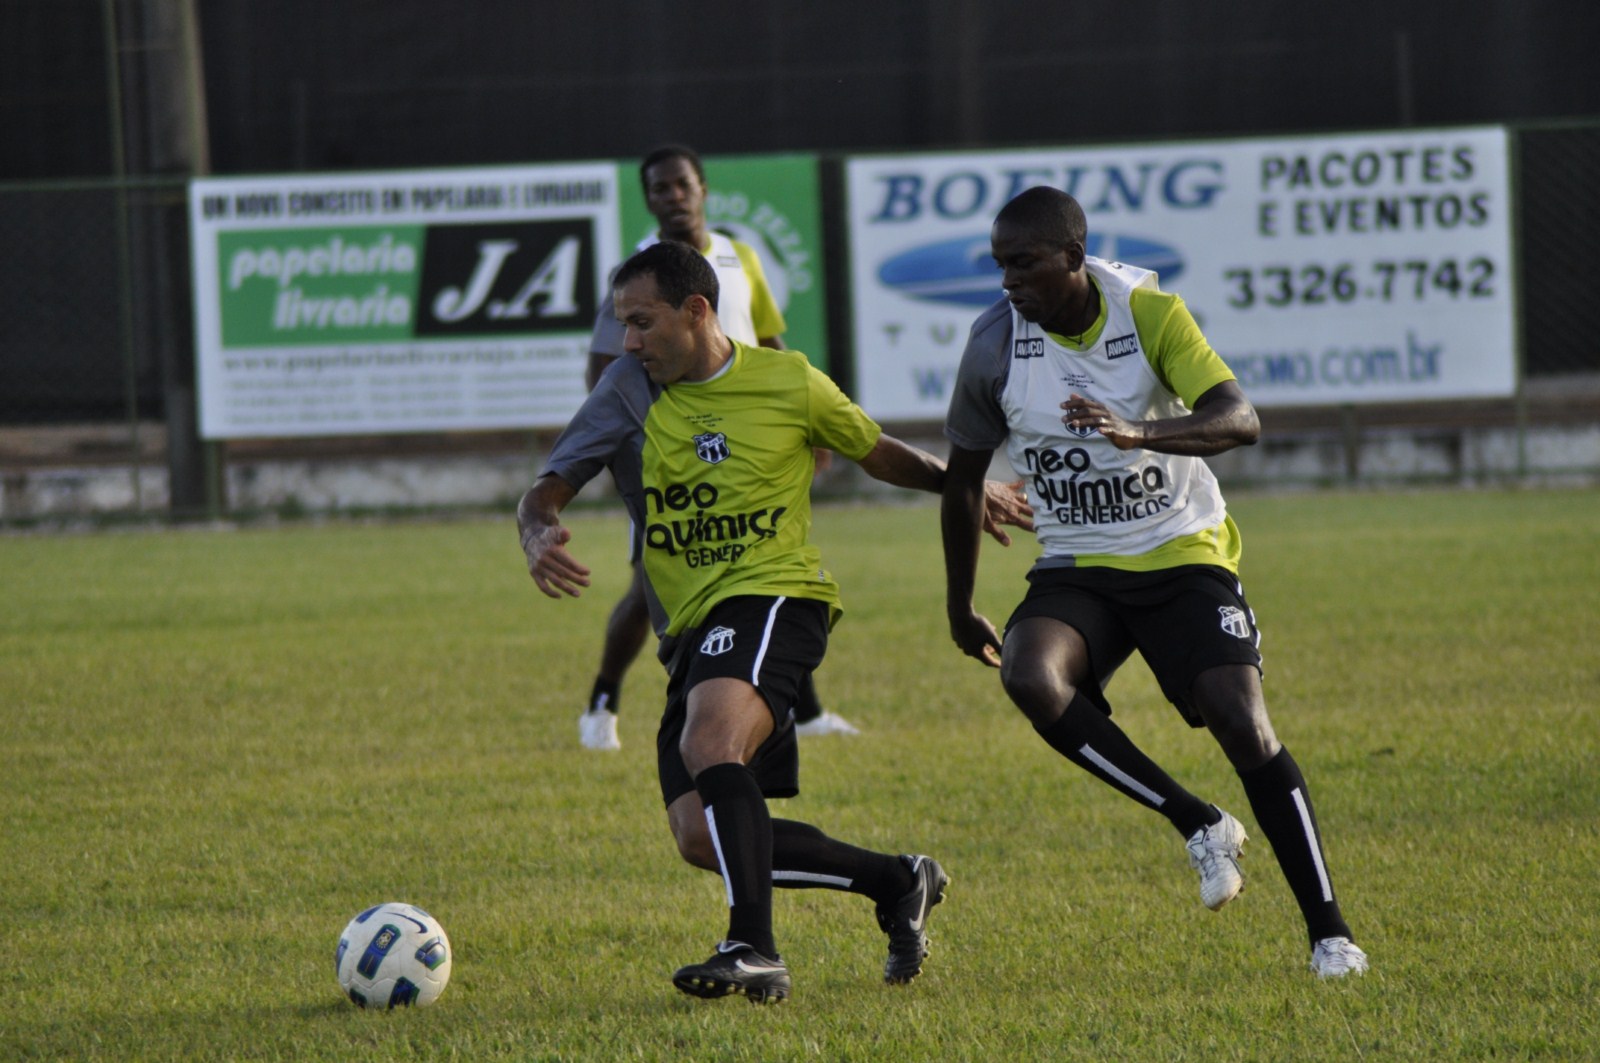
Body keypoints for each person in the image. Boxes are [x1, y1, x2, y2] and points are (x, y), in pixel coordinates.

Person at [519, 241, 1030, 1002]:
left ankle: (751, 945)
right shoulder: (629, 387)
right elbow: (549, 485)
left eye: (640, 321)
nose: (626, 341)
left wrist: (963, 485)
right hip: (689, 626)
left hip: (777, 595)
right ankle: (898, 880)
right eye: (622, 323)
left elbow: (874, 449)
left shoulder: (786, 379)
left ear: (697, 311)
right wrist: (536, 529)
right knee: (702, 835)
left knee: (708, 741)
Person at [939, 186, 1369, 979]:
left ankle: (1331, 934)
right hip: (1077, 562)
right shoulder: (994, 344)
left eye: (1025, 264)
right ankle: (1198, 822)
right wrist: (961, 602)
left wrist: (1141, 431)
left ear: (1073, 258)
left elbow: (1239, 418)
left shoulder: (1148, 312)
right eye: (1000, 267)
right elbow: (964, 479)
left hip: (1180, 551)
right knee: (1031, 674)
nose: (1009, 284)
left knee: (1242, 722)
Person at [578, 143, 857, 751]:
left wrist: (810, 424)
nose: (672, 197)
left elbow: (771, 341)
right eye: (658, 189)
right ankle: (602, 700)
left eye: (681, 184)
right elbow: (605, 368)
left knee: (767, 570)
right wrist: (613, 449)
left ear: (703, 188)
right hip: (677, 456)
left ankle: (800, 711)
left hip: (752, 446)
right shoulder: (639, 276)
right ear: (648, 200)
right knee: (646, 587)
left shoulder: (740, 257)